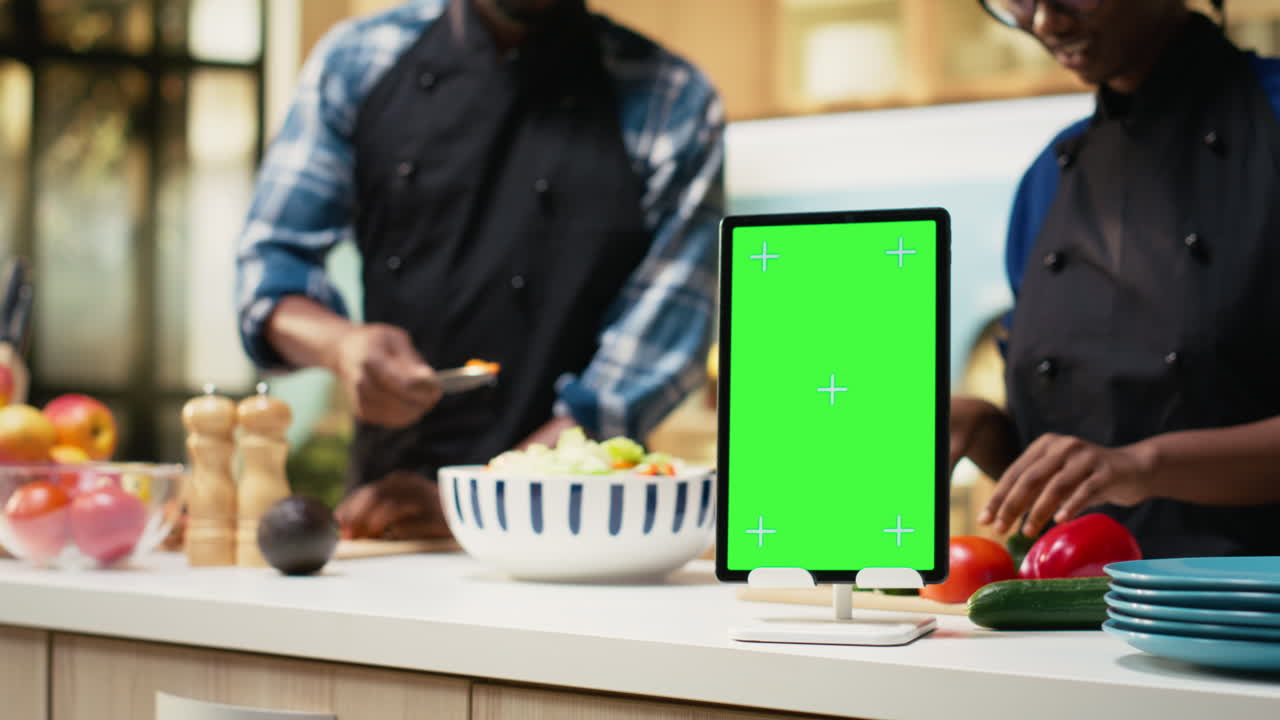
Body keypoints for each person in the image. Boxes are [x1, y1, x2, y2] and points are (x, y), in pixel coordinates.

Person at [235, 0, 724, 540]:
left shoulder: (672, 99)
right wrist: (341, 346)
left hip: (585, 526)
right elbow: (272, 265)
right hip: (387, 516)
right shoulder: (357, 60)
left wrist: (484, 497)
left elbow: (658, 345)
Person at [951, 0, 1280, 557]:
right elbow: (1072, 469)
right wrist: (984, 428)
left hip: (1250, 619)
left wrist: (1141, 464)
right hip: (1075, 610)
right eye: (1018, 2)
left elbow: (1119, 469)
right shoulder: (1047, 180)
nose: (1044, 22)